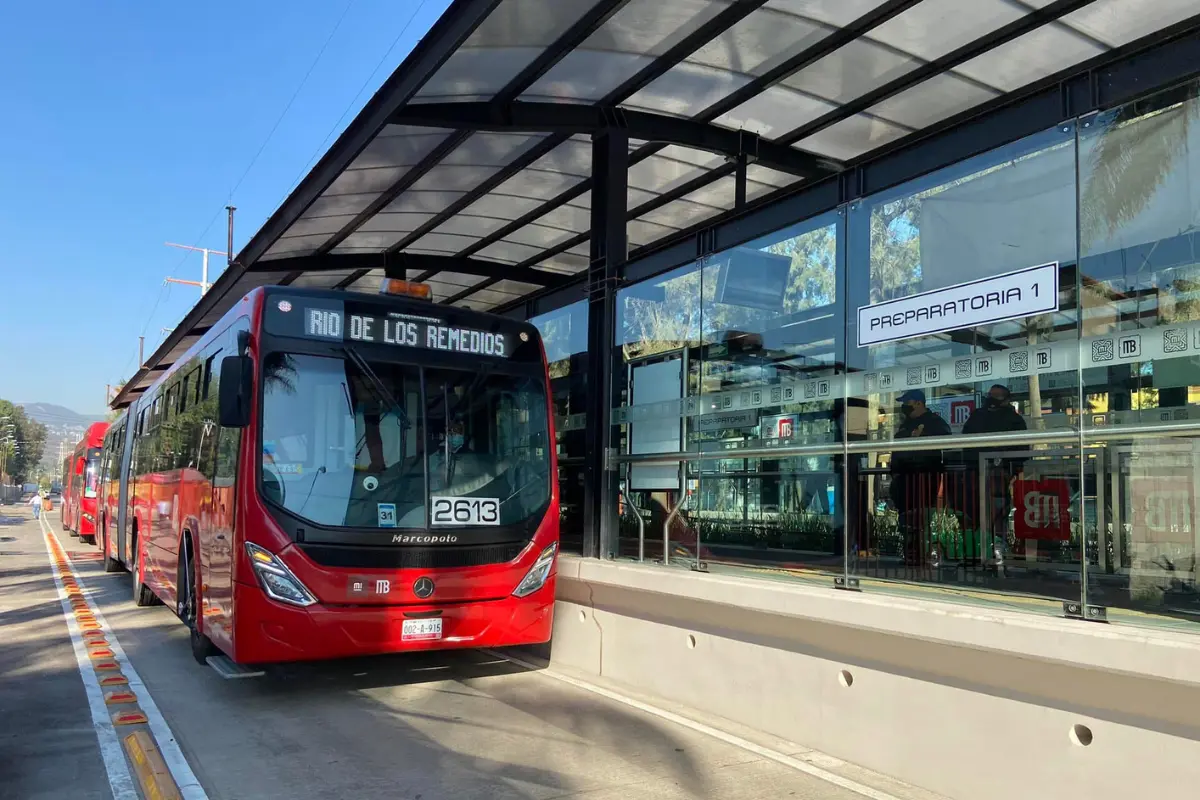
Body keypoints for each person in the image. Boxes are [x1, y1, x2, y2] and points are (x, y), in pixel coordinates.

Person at [960, 384, 1027, 561]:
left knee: (998, 513)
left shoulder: (1014, 420)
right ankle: (976, 550)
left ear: (1006, 399)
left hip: (999, 474)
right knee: (975, 513)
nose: (991, 399)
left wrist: (1013, 472)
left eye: (996, 396)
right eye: (990, 395)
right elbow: (965, 442)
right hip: (975, 472)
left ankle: (997, 550)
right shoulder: (977, 416)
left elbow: (1021, 450)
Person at [889, 389, 951, 566]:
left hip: (924, 476)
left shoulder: (934, 422)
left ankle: (922, 555)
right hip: (903, 477)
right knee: (906, 517)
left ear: (918, 403)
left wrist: (922, 436)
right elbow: (897, 448)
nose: (904, 406)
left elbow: (946, 440)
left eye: (907, 402)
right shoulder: (905, 424)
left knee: (921, 517)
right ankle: (910, 554)